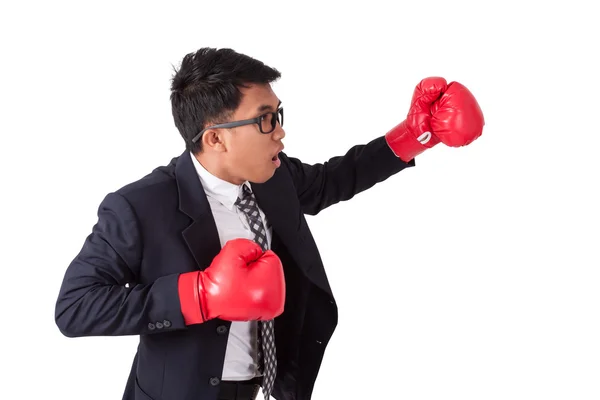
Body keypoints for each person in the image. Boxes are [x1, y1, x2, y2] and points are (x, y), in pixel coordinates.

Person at [55, 47, 484, 400]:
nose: (279, 132)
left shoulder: (272, 175)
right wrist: (199, 295)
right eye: (265, 119)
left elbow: (333, 179)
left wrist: (416, 134)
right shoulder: (139, 205)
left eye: (279, 114)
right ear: (215, 137)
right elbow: (75, 307)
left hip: (265, 389)